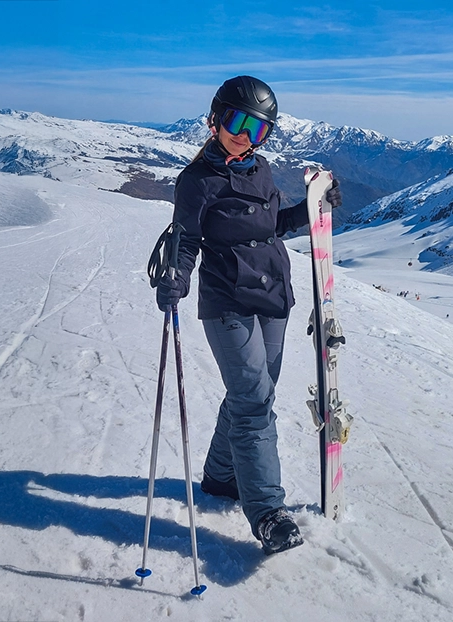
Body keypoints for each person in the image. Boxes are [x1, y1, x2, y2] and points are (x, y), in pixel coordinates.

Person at [155, 75, 342, 555]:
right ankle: (266, 512)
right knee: (255, 401)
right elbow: (187, 239)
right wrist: (175, 275)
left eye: (258, 129)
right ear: (215, 119)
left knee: (251, 393)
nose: (245, 135)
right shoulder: (196, 182)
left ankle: (220, 476)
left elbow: (272, 222)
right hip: (228, 302)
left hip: (273, 296)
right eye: (238, 122)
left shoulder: (259, 172)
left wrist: (311, 209)